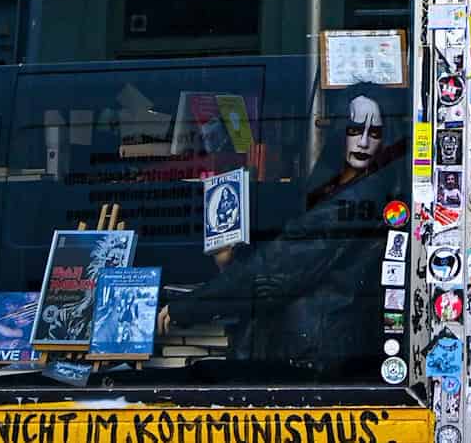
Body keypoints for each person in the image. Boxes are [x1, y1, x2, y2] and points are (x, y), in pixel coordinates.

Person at [156, 82, 407, 377]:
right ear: (340, 131)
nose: (363, 142)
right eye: (354, 130)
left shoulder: (359, 196)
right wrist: (235, 263)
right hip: (326, 349)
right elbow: (292, 258)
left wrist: (188, 307)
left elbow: (284, 264)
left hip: (317, 354)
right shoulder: (345, 187)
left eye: (374, 133)